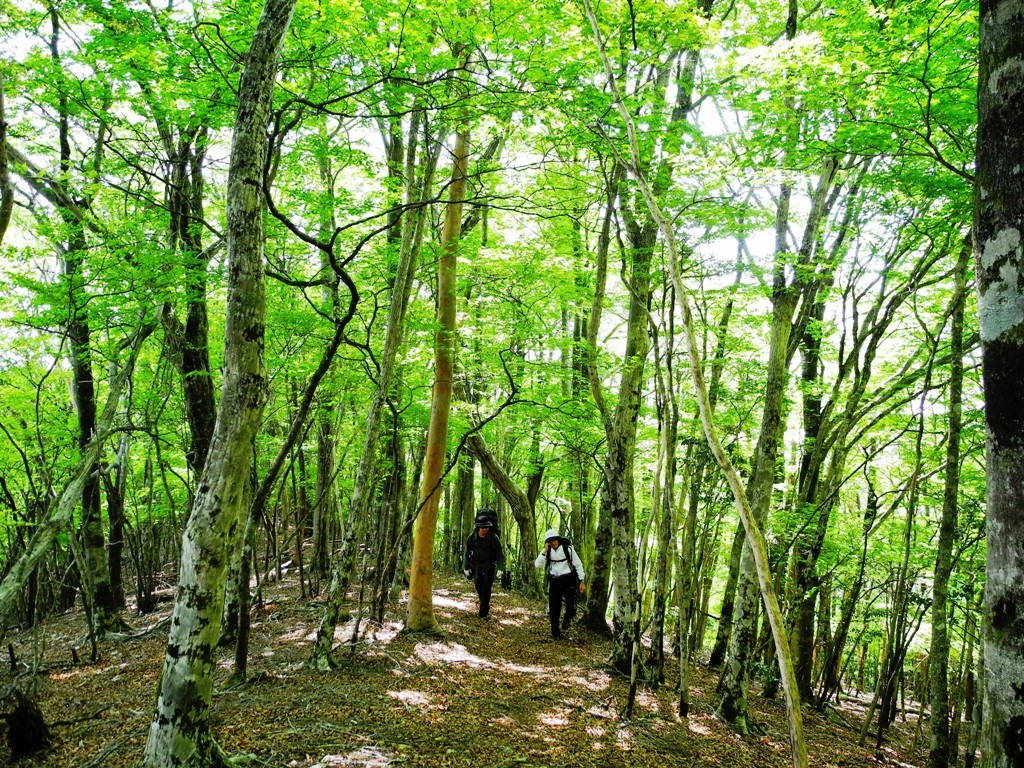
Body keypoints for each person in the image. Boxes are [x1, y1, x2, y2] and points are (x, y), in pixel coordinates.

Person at [534, 528, 586, 639]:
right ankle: (555, 633)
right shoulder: (547, 552)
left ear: (558, 539)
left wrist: (581, 580)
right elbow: (537, 565)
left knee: (571, 606)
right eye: (550, 541)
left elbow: (578, 564)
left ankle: (567, 619)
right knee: (554, 609)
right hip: (554, 581)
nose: (553, 543)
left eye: (554, 540)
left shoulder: (568, 549)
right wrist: (544, 551)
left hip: (568, 580)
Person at [463, 510, 505, 618]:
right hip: (476, 567)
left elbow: (499, 553)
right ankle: (485, 604)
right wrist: (466, 567)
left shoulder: (493, 537)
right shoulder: (471, 538)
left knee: (486, 589)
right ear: (478, 528)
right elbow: (466, 553)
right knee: (478, 587)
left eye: (487, 527)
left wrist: (501, 568)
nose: (485, 529)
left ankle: (483, 614)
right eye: (483, 527)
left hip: (489, 567)